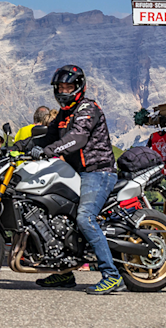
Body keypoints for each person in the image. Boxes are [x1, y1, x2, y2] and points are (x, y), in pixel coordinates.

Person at [28, 65, 124, 295]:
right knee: (52, 213)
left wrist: (50, 150)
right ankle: (64, 272)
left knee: (85, 217)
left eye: (68, 87)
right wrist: (15, 150)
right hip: (74, 172)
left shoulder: (88, 108)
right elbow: (45, 137)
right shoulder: (63, 115)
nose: (63, 91)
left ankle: (112, 275)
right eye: (60, 87)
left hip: (98, 172)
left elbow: (78, 137)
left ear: (79, 87)